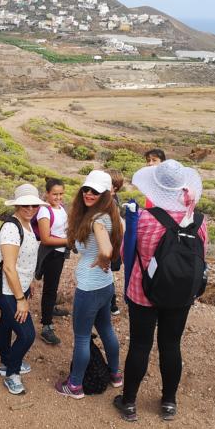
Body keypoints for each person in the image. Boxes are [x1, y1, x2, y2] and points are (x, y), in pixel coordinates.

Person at [113, 160, 207, 422]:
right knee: (171, 345)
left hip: (143, 292)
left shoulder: (143, 218)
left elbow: (126, 254)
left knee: (140, 346)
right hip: (180, 295)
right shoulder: (199, 221)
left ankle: (129, 402)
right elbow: (202, 256)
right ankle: (168, 402)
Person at [55, 170, 123, 399]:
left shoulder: (96, 220)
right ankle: (115, 374)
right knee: (106, 329)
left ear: (105, 193)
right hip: (105, 285)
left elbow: (106, 249)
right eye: (86, 189)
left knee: (82, 337)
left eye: (95, 191)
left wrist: (103, 259)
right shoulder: (111, 215)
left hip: (89, 287)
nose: (89, 193)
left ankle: (75, 385)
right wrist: (105, 262)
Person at [0, 184, 48, 395]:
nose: (30, 208)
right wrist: (20, 299)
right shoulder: (11, 229)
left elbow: (25, 259)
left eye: (34, 204)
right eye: (25, 204)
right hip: (7, 290)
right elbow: (8, 266)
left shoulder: (26, 224)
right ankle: (11, 373)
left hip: (17, 287)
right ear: (17, 205)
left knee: (6, 324)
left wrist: (29, 282)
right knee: (26, 335)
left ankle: (6, 361)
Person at [36, 177, 70, 346]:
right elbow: (45, 239)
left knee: (53, 285)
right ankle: (46, 325)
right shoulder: (44, 211)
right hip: (51, 254)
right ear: (47, 194)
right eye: (54, 194)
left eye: (61, 194)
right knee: (50, 288)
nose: (58, 197)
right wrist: (68, 241)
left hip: (59, 253)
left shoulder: (61, 208)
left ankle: (50, 310)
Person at [108, 169, 125, 316]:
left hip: (110, 242)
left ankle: (110, 303)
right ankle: (111, 303)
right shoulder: (115, 199)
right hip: (114, 242)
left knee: (106, 272)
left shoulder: (111, 201)